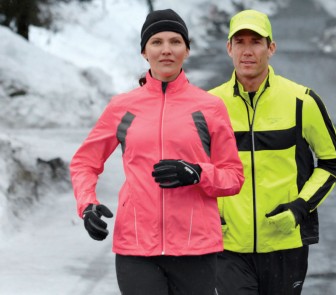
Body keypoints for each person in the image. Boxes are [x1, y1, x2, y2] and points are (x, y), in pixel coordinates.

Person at [70, 9, 244, 295]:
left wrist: (198, 173)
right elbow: (85, 163)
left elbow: (233, 176)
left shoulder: (209, 107)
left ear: (187, 50)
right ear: (144, 52)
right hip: (136, 247)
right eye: (157, 42)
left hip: (196, 247)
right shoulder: (122, 107)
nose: (166, 50)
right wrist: (87, 204)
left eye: (175, 42)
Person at [209, 9, 336, 295]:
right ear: (229, 48)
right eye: (241, 42)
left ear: (271, 48)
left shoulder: (302, 101)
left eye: (256, 42)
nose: (248, 51)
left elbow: (331, 162)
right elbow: (195, 167)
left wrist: (300, 207)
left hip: (285, 244)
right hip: (227, 245)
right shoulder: (209, 105)